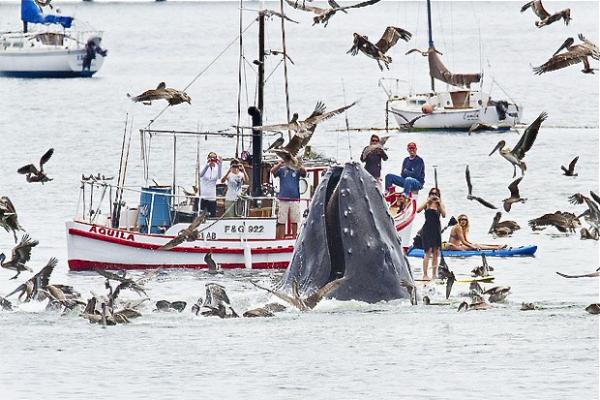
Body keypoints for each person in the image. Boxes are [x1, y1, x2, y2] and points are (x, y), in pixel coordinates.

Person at [271, 160, 307, 239]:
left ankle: (294, 238)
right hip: (283, 198)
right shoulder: (281, 169)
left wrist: (297, 163)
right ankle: (281, 238)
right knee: (281, 221)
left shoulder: (297, 169)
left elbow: (304, 173)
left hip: (294, 198)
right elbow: (272, 171)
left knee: (295, 220)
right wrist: (280, 164)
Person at [417, 188, 446, 280]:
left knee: (436, 252)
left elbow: (444, 215)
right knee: (427, 252)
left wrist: (439, 203)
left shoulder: (439, 204)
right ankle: (425, 274)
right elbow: (418, 210)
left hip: (436, 229)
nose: (434, 195)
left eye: (436, 194)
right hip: (427, 229)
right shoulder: (427, 203)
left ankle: (434, 274)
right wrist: (427, 201)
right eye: (432, 193)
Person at [199, 152, 222, 217]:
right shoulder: (203, 167)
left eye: (214, 158)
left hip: (212, 196)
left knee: (212, 215)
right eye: (210, 157)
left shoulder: (216, 168)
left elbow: (219, 177)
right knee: (201, 215)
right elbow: (201, 174)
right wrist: (207, 165)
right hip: (203, 195)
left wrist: (220, 165)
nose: (212, 159)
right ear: (207, 158)